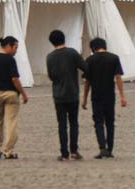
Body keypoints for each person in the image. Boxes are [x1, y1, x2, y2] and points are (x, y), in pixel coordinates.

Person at [0, 36, 29, 159]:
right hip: (11, 94)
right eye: (15, 47)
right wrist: (23, 93)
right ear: (8, 46)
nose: (16, 50)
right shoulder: (10, 60)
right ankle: (9, 151)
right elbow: (15, 79)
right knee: (11, 122)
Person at [81, 38, 127, 159]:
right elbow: (118, 78)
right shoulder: (114, 58)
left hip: (96, 96)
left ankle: (102, 148)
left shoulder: (90, 60)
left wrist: (84, 99)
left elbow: (87, 82)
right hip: (109, 95)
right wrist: (122, 96)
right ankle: (110, 149)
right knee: (110, 122)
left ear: (93, 48)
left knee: (98, 122)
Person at [46, 30, 87, 161]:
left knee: (62, 124)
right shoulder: (72, 53)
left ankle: (64, 153)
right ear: (64, 38)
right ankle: (74, 151)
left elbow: (51, 76)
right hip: (73, 92)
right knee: (74, 122)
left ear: (51, 42)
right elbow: (85, 67)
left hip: (58, 94)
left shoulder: (50, 57)